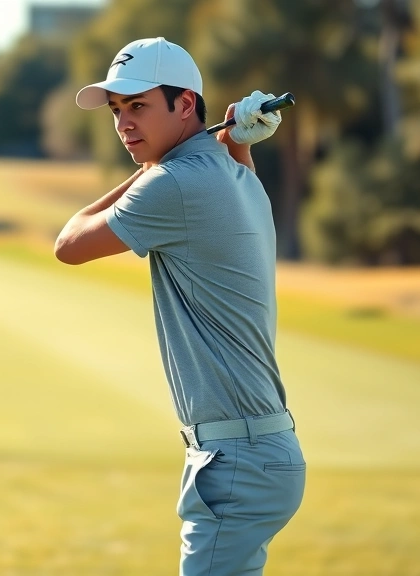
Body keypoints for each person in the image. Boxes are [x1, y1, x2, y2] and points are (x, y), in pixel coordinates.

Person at [54, 37, 305, 576]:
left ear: (186, 104)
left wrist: (154, 166)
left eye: (138, 106)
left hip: (236, 459)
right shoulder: (237, 176)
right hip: (257, 452)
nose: (124, 124)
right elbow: (225, 173)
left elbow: (68, 243)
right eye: (118, 111)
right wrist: (234, 145)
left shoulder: (176, 183)